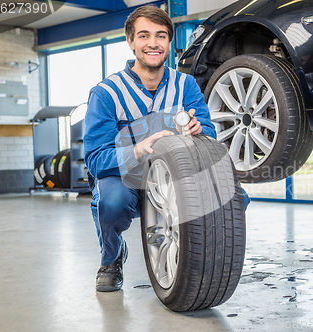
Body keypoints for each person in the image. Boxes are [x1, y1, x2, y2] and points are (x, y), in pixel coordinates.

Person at [84, 5, 249, 292]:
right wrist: (137, 150)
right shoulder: (106, 93)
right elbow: (96, 160)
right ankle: (112, 258)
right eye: (144, 35)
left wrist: (199, 131)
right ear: (131, 41)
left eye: (161, 36)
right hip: (126, 175)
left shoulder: (186, 85)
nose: (153, 43)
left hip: (175, 172)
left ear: (169, 43)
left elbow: (209, 134)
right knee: (111, 204)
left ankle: (196, 255)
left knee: (234, 197)